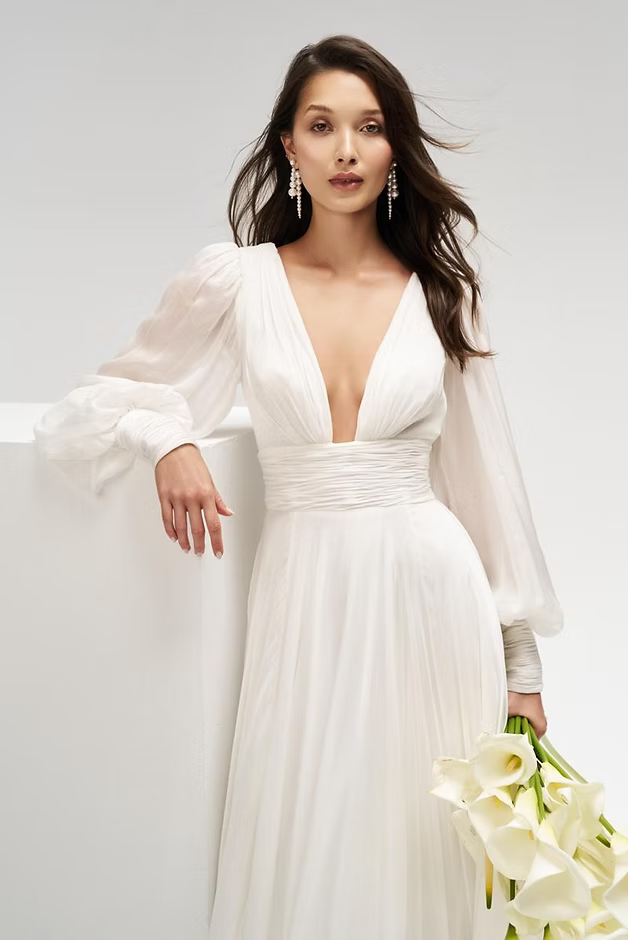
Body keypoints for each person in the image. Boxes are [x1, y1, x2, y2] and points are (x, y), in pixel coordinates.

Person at [33, 34, 563, 940]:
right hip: (305, 595)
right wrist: (167, 438)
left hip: (433, 604)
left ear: (394, 148)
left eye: (369, 127)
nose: (346, 150)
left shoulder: (443, 293)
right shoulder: (236, 282)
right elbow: (101, 399)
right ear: (289, 144)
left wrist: (521, 669)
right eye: (322, 126)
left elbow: (489, 486)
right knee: (309, 836)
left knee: (424, 848)